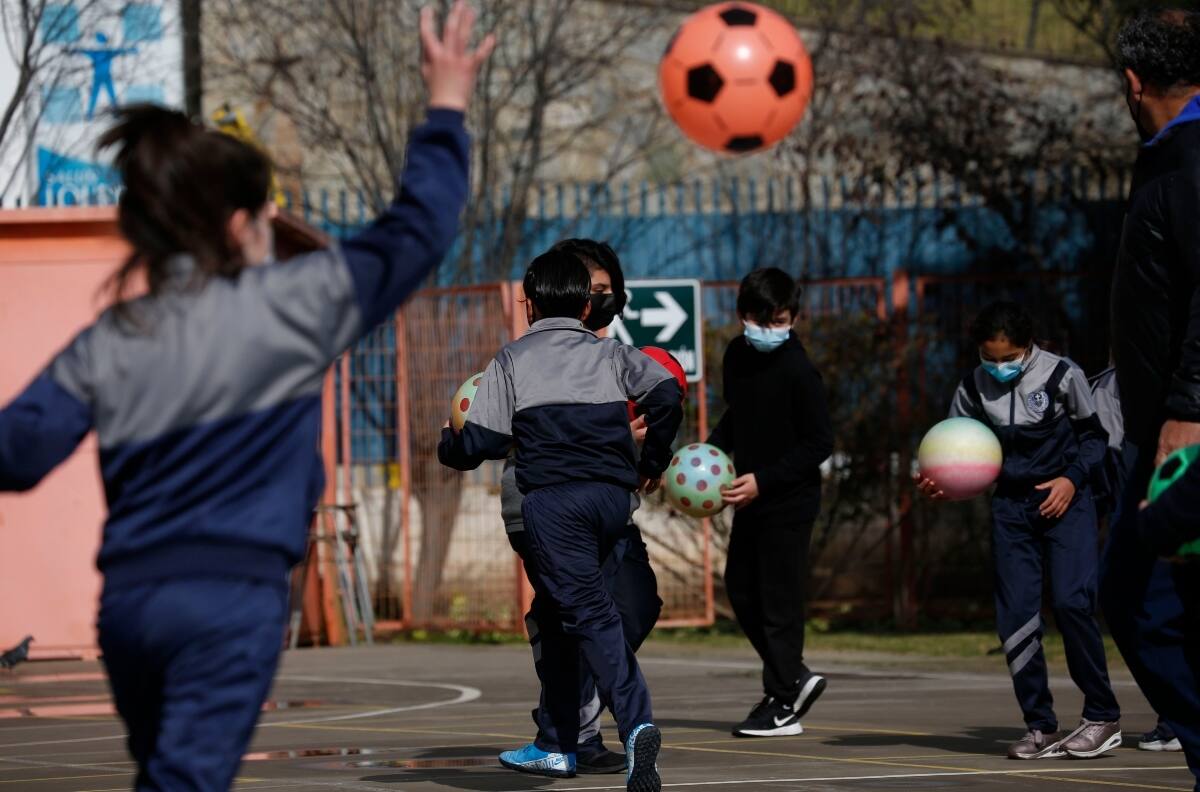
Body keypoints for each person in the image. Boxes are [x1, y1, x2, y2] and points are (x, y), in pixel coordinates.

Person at [0, 4, 492, 789]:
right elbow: (418, 229)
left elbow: (18, 454)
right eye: (263, 214)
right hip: (229, 603)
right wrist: (445, 106)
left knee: (168, 775)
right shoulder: (293, 304)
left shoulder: (112, 337)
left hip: (128, 608)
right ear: (239, 226)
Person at [438, 250, 683, 792]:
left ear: (531, 303)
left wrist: (448, 442)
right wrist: (652, 460)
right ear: (583, 302)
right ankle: (556, 744)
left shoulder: (513, 359)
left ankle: (636, 723)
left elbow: (479, 442)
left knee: (592, 618)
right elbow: (666, 392)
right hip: (612, 503)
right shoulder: (609, 353)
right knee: (570, 615)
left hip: (554, 505)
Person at [498, 239, 673, 777]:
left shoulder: (618, 359)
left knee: (632, 607)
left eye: (604, 291)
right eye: (587, 290)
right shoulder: (525, 359)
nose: (595, 300)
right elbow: (503, 434)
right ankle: (582, 732)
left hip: (608, 508)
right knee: (575, 618)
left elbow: (667, 398)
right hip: (543, 508)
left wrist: (652, 458)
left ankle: (572, 728)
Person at [918, 301, 1121, 760]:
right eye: (990, 358)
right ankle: (1039, 726)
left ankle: (1102, 715)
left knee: (1072, 602)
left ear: (1029, 347)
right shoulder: (971, 388)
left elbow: (1094, 438)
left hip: (1066, 502)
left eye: (1010, 359)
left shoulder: (1060, 375)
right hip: (1011, 509)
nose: (999, 367)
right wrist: (941, 483)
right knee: (1016, 620)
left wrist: (1071, 480)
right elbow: (960, 452)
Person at [1103, 8, 1200, 789]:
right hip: (1163, 425)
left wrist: (1187, 408)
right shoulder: (1169, 156)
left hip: (1185, 434)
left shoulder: (1190, 160)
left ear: (1134, 84)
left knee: (1137, 598)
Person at [706, 267, 834, 738]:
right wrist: (709, 454)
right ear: (744, 316)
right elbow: (738, 416)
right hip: (751, 499)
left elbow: (819, 442)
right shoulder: (738, 354)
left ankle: (784, 700)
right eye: (766, 321)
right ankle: (793, 677)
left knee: (779, 603)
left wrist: (764, 480)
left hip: (789, 500)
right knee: (741, 589)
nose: (774, 330)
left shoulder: (800, 370)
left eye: (783, 321)